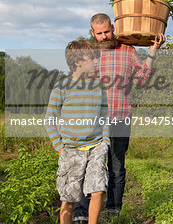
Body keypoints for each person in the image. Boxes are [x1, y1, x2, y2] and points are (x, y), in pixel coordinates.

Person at [73, 13, 164, 223]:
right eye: (99, 33)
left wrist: (152, 52)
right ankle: (80, 211)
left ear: (113, 28)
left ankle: (113, 211)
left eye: (107, 31)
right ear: (92, 33)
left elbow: (141, 81)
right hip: (92, 120)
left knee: (116, 167)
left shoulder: (128, 51)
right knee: (86, 165)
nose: (104, 36)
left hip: (120, 118)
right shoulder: (88, 55)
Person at [45, 39, 110, 224]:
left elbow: (104, 116)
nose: (96, 62)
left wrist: (105, 142)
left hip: (96, 147)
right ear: (77, 62)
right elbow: (49, 120)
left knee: (98, 190)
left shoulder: (99, 87)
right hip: (71, 149)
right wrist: (59, 147)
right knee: (69, 198)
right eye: (92, 58)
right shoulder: (61, 87)